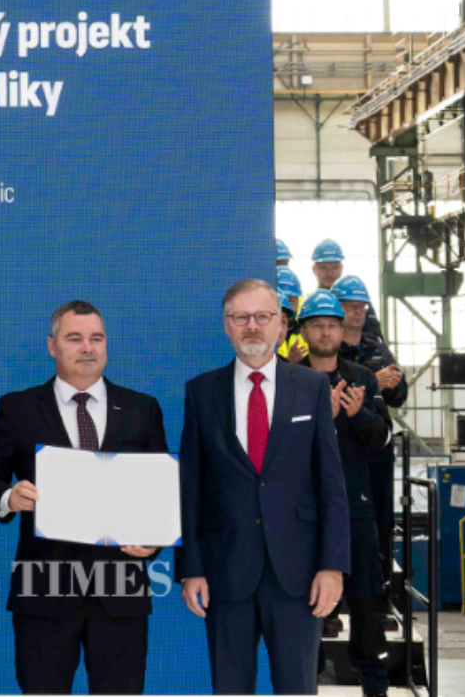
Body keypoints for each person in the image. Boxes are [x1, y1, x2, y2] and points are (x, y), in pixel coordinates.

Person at [0, 301, 168, 695]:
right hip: (42, 589)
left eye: (96, 338)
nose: (87, 348)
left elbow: (162, 490)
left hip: (120, 589)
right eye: (74, 338)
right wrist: (9, 496)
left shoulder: (141, 409)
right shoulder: (18, 408)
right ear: (52, 346)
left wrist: (155, 538)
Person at [177, 278, 349, 695]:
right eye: (240, 317)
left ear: (281, 324)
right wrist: (191, 569)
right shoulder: (201, 392)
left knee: (297, 687)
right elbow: (190, 488)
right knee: (230, 688)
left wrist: (332, 567)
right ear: (226, 326)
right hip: (225, 570)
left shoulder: (311, 387)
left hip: (298, 575)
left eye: (262, 316)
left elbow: (331, 484)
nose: (251, 326)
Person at [295, 292, 391, 697]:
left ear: (342, 330)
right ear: (303, 331)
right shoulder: (289, 379)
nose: (326, 331)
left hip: (356, 510)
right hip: (303, 515)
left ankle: (375, 686)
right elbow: (279, 449)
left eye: (332, 324)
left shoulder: (362, 379)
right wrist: (323, 419)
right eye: (317, 325)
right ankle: (306, 683)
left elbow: (381, 440)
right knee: (306, 608)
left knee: (367, 604)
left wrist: (359, 414)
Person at [333, 275, 406, 603]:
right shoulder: (330, 350)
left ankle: (381, 596)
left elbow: (399, 395)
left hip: (377, 449)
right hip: (344, 451)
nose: (357, 312)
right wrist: (374, 381)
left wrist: (392, 384)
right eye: (350, 306)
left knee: (381, 522)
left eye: (361, 306)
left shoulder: (378, 347)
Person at [277, 266, 307, 363]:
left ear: (298, 301)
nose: (286, 304)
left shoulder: (308, 327)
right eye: (280, 300)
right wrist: (289, 362)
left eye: (291, 300)